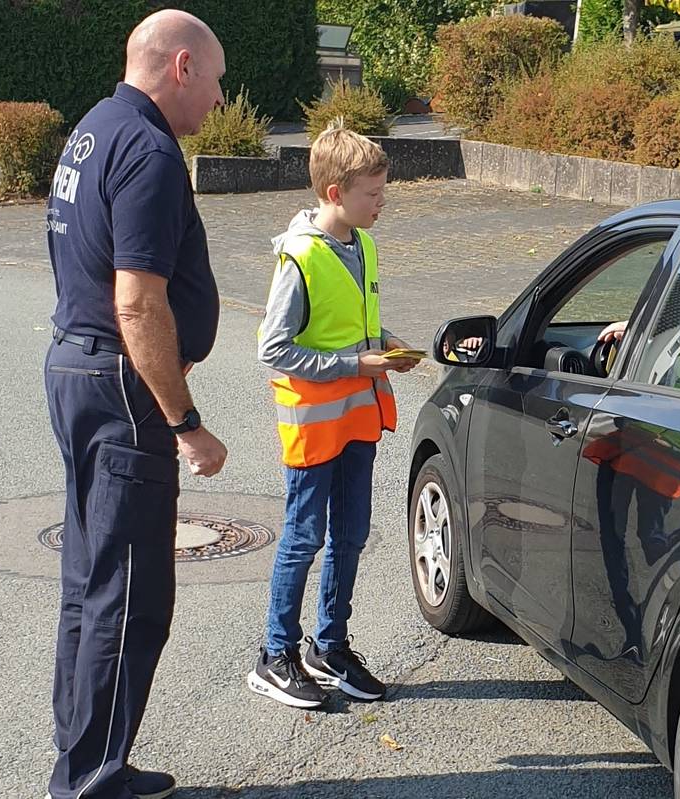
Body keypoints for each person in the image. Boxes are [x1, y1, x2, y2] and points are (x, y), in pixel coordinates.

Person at [42, 9, 227, 799]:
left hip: (77, 369)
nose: (219, 100)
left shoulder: (93, 129)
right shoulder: (149, 150)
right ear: (181, 66)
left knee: (92, 577)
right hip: (120, 385)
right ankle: (92, 780)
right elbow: (138, 304)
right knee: (127, 591)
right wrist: (185, 421)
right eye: (216, 82)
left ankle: (84, 760)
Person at [248, 120, 419, 709]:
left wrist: (388, 345)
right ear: (335, 194)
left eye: (382, 192)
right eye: (373, 194)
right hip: (315, 424)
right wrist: (355, 363)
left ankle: (330, 646)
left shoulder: (363, 244)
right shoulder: (299, 257)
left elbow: (357, 323)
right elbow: (274, 348)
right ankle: (276, 653)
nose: (381, 204)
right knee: (303, 537)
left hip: (357, 420)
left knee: (351, 535)